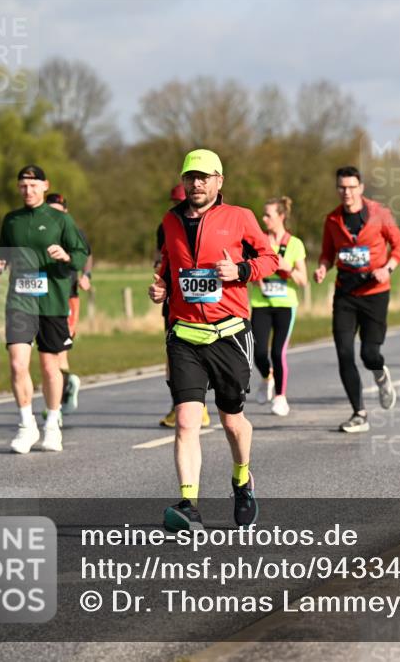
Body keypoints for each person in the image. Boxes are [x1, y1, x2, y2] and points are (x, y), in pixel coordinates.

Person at [149, 149, 278, 530]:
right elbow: (169, 267)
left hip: (229, 334)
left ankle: (242, 478)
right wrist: (162, 288)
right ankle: (189, 503)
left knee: (232, 421)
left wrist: (239, 269)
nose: (196, 183)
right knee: (187, 421)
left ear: (219, 181)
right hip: (185, 335)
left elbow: (270, 258)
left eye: (204, 176)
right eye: (190, 177)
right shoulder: (170, 221)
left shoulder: (240, 217)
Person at [0, 165, 89, 453]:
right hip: (20, 300)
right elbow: (3, 256)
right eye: (23, 186)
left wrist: (67, 255)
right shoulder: (11, 220)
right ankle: (26, 425)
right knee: (17, 363)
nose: (28, 191)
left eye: (33, 186)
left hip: (53, 300)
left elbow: (81, 253)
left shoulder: (60, 220)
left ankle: (52, 423)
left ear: (45, 186)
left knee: (49, 366)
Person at [313, 166, 400, 432]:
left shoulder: (379, 213)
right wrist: (322, 267)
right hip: (345, 294)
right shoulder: (332, 220)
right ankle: (359, 413)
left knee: (369, 353)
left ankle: (380, 373)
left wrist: (386, 269)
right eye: (342, 187)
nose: (347, 192)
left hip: (375, 293)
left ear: (361, 188)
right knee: (344, 353)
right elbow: (327, 253)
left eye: (352, 187)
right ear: (337, 189)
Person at [156, 185, 211, 429]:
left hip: (209, 304)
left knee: (204, 353)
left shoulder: (212, 224)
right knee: (175, 355)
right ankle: (184, 404)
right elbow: (163, 260)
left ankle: (202, 406)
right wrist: (161, 282)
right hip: (176, 302)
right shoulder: (167, 223)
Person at [249, 196, 307, 416]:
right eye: (263, 214)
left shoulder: (294, 244)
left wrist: (287, 269)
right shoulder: (259, 241)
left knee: (277, 351)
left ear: (281, 216)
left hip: (285, 305)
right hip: (261, 303)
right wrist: (258, 279)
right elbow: (251, 269)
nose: (264, 219)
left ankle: (281, 397)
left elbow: (303, 280)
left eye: (268, 215)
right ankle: (266, 378)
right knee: (259, 351)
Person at [45, 192, 90, 413]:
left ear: (66, 211)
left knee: (59, 352)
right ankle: (64, 390)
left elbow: (87, 254)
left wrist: (86, 276)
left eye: (58, 210)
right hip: (44, 295)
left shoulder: (73, 231)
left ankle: (58, 402)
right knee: (51, 353)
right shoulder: (40, 230)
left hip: (68, 296)